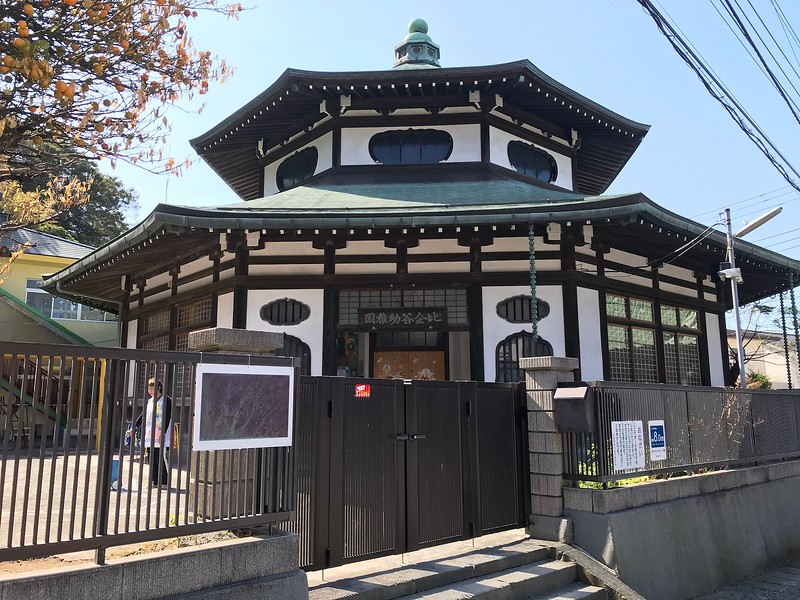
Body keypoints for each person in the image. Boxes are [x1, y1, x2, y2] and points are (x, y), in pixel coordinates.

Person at [128, 377, 172, 488]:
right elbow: (144, 415)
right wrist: (134, 427)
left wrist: (163, 431)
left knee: (161, 456)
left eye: (152, 388)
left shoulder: (166, 400)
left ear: (159, 388)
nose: (150, 391)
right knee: (151, 456)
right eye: (149, 388)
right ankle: (154, 480)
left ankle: (164, 481)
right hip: (150, 433)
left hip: (162, 432)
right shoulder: (150, 401)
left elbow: (167, 417)